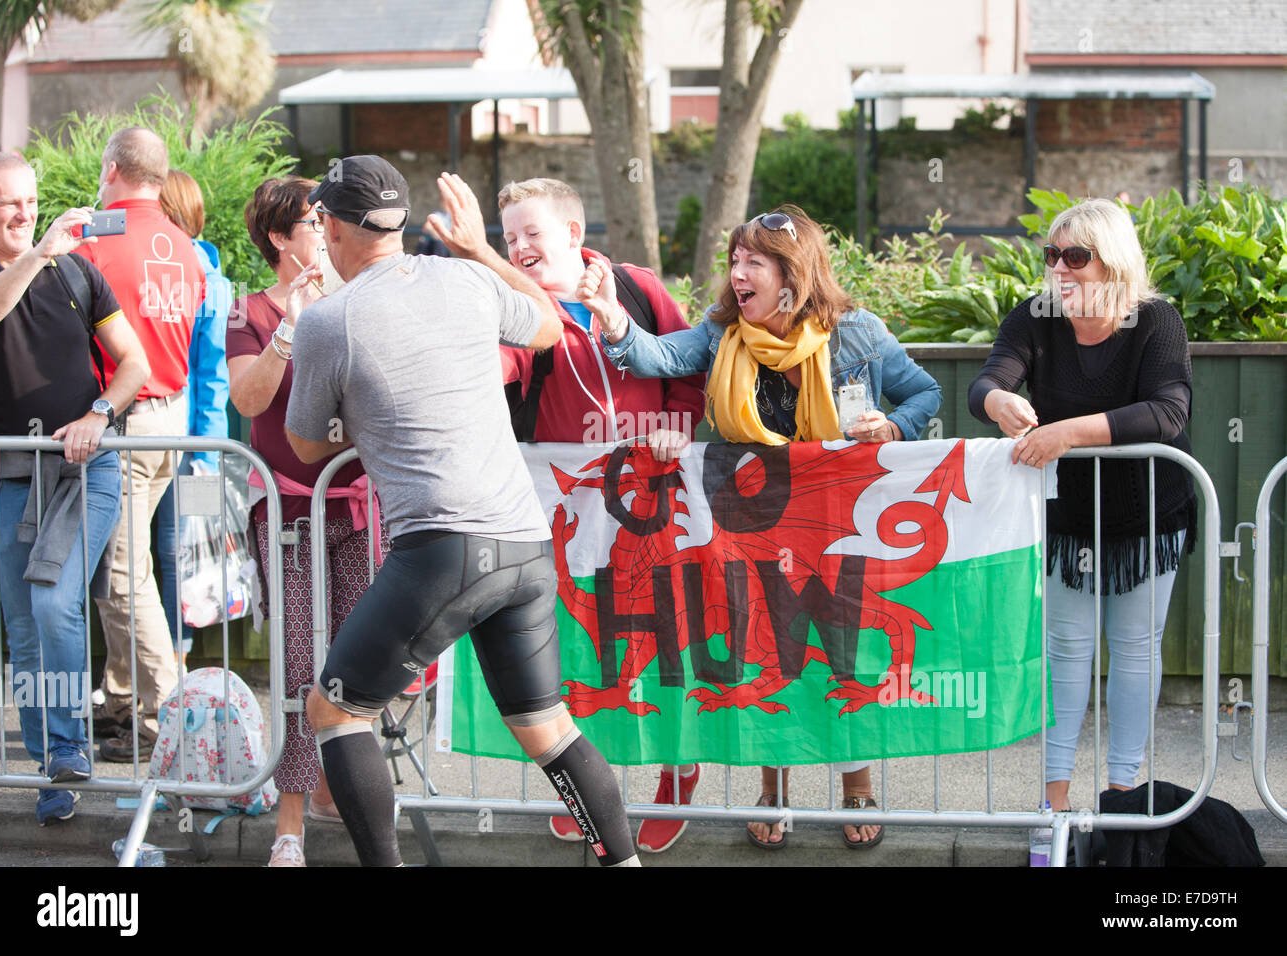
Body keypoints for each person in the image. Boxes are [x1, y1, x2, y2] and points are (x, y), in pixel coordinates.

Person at [287, 156, 637, 867]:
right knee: (548, 730)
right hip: (524, 546)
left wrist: (367, 416)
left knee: (336, 712)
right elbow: (546, 326)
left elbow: (300, 442)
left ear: (332, 226)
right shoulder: (467, 276)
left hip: (444, 548)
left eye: (321, 223)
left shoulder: (328, 320)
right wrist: (479, 250)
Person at [593, 204, 941, 849]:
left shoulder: (856, 333)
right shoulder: (722, 330)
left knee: (840, 648)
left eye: (755, 261)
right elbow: (657, 357)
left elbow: (924, 393)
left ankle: (856, 786)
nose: (738, 273)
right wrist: (615, 322)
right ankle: (774, 787)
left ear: (793, 273)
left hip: (831, 525)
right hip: (746, 523)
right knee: (763, 646)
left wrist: (894, 427)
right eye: (735, 261)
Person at [497, 176, 706, 852]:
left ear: (573, 237)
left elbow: (689, 365)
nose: (520, 247)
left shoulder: (637, 286)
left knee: (669, 637)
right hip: (575, 507)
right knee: (586, 646)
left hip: (659, 497)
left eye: (532, 233)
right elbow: (499, 375)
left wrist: (682, 424)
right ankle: (588, 781)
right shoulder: (519, 308)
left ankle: (679, 773)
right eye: (509, 238)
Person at [968, 197, 1195, 813]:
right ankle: (1054, 805)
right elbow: (987, 380)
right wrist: (997, 404)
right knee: (1065, 652)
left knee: (1136, 649)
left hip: (1149, 519)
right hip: (1069, 524)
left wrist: (1067, 432)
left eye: (1076, 257)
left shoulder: (1156, 322)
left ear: (1114, 264)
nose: (1059, 270)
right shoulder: (1035, 318)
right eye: (1053, 256)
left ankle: (1122, 797)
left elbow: (1169, 411)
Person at [226, 175, 385, 867]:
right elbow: (248, 397)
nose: (327, 230)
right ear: (280, 238)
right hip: (288, 508)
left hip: (355, 503)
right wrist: (290, 327)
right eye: (313, 222)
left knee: (358, 668)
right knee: (297, 669)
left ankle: (346, 800)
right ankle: (287, 827)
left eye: (329, 220)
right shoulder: (249, 311)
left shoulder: (358, 299)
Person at [0, 152, 149, 822]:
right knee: (23, 627)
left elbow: (133, 362)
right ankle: (51, 770)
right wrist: (39, 253)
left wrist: (99, 415)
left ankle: (70, 746)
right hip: (6, 474)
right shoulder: (26, 267)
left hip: (86, 467)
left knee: (54, 604)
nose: (26, 214)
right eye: (9, 205)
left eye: (30, 201)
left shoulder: (79, 271)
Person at [78, 127, 205, 762]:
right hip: (170, 420)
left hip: (122, 420)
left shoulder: (95, 237)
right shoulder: (186, 246)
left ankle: (168, 715)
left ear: (111, 169)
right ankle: (123, 699)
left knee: (122, 578)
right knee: (125, 569)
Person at [153, 168, 233, 664]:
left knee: (180, 554)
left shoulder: (208, 281)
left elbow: (214, 376)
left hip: (195, 449)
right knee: (159, 554)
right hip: (165, 441)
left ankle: (176, 660)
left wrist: (205, 456)